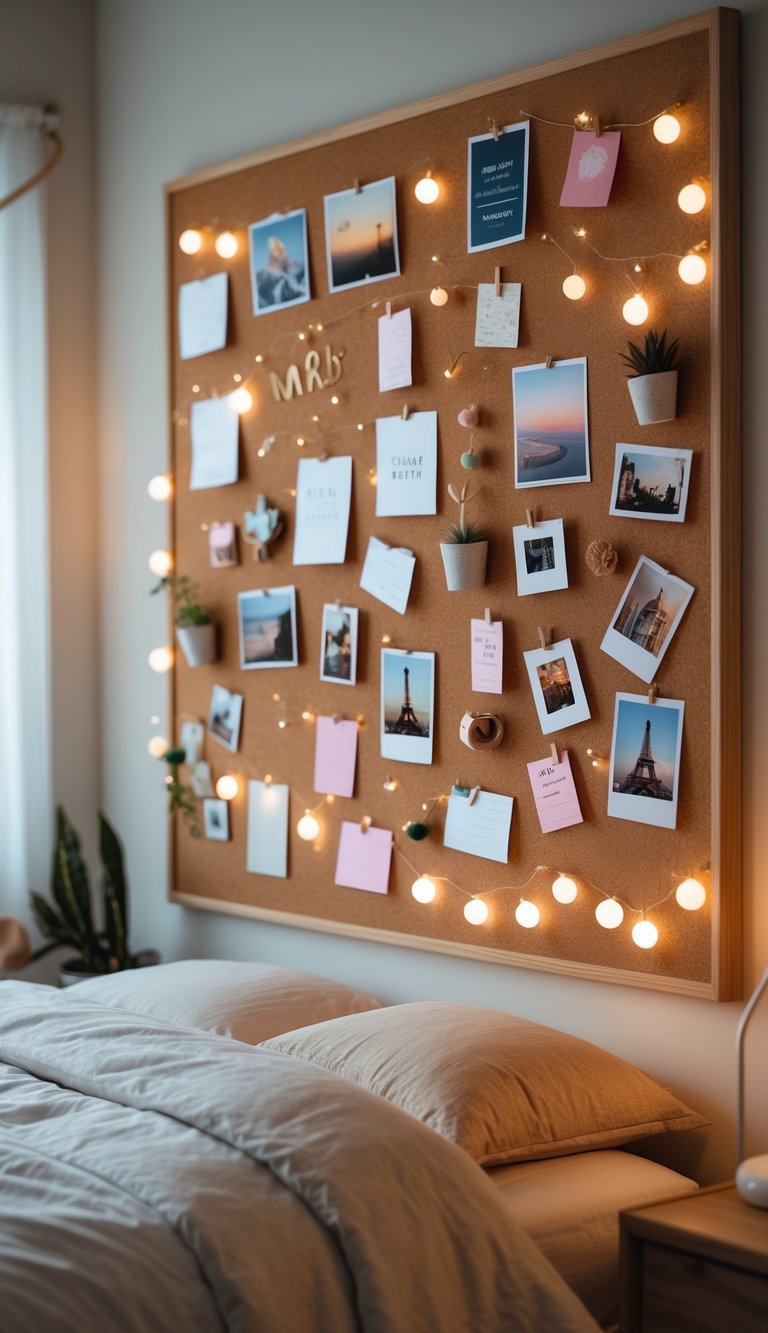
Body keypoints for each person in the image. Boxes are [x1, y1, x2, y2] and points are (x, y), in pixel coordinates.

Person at [256, 234, 306, 307]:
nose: (279, 251)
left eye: (280, 248)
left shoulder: (295, 265)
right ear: (271, 251)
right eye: (276, 249)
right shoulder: (264, 272)